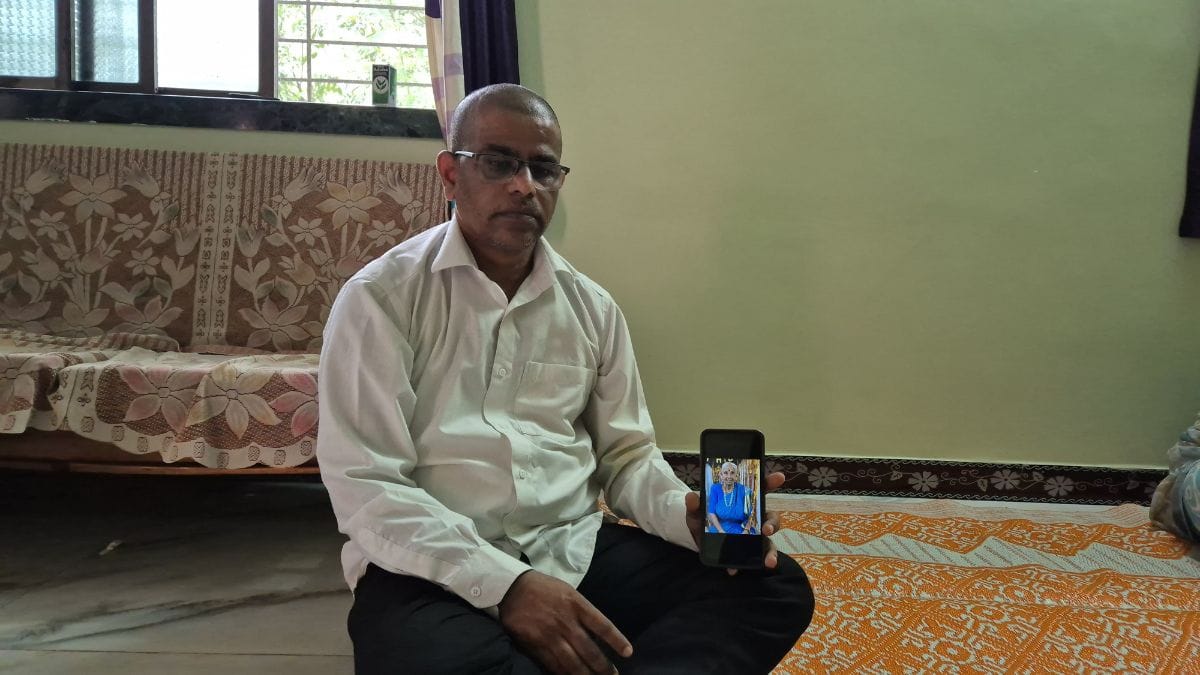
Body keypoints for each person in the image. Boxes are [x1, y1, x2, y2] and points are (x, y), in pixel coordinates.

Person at [317, 83, 814, 674]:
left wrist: (681, 511)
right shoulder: (381, 300)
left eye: (544, 169)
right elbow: (368, 487)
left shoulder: (592, 308)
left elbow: (627, 457)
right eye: (499, 162)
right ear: (451, 175)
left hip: (570, 548)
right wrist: (509, 587)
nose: (524, 185)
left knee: (773, 588)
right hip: (430, 567)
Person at [708, 461, 755, 534]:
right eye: (726, 473)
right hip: (719, 528)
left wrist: (746, 530)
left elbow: (750, 515)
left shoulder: (746, 491)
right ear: (721, 475)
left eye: (732, 473)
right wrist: (720, 531)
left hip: (741, 528)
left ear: (736, 476)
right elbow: (712, 512)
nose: (729, 476)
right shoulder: (715, 489)